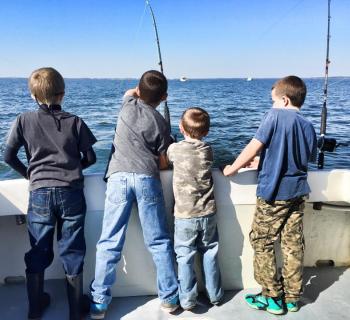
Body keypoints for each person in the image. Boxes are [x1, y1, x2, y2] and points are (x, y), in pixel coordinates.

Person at [4, 67, 97, 320]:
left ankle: (35, 309)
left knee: (39, 249)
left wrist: (29, 174)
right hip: (71, 193)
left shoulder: (23, 120)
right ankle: (76, 311)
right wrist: (73, 166)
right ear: (62, 94)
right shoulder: (75, 121)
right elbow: (90, 157)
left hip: (40, 193)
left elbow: (8, 156)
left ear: (33, 96)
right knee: (73, 249)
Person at [223, 76, 317, 315]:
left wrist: (232, 168)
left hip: (274, 193)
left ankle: (271, 297)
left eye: (273, 100)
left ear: (284, 100)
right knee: (292, 244)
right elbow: (300, 158)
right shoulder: (307, 124)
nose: (271, 105)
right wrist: (265, 160)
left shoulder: (274, 115)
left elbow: (254, 145)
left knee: (262, 241)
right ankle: (293, 298)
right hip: (298, 192)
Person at [90, 70, 178, 319]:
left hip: (118, 178)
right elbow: (162, 163)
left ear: (138, 92)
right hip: (147, 178)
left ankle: (99, 302)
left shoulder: (127, 104)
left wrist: (140, 91)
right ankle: (170, 297)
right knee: (159, 241)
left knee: (109, 242)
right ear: (164, 97)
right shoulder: (161, 123)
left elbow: (130, 92)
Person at [167, 107, 224, 310]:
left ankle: (188, 300)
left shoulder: (174, 149)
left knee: (185, 256)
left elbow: (168, 157)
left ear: (181, 128)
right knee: (210, 252)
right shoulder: (207, 149)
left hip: (184, 214)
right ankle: (215, 295)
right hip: (208, 212)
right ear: (206, 132)